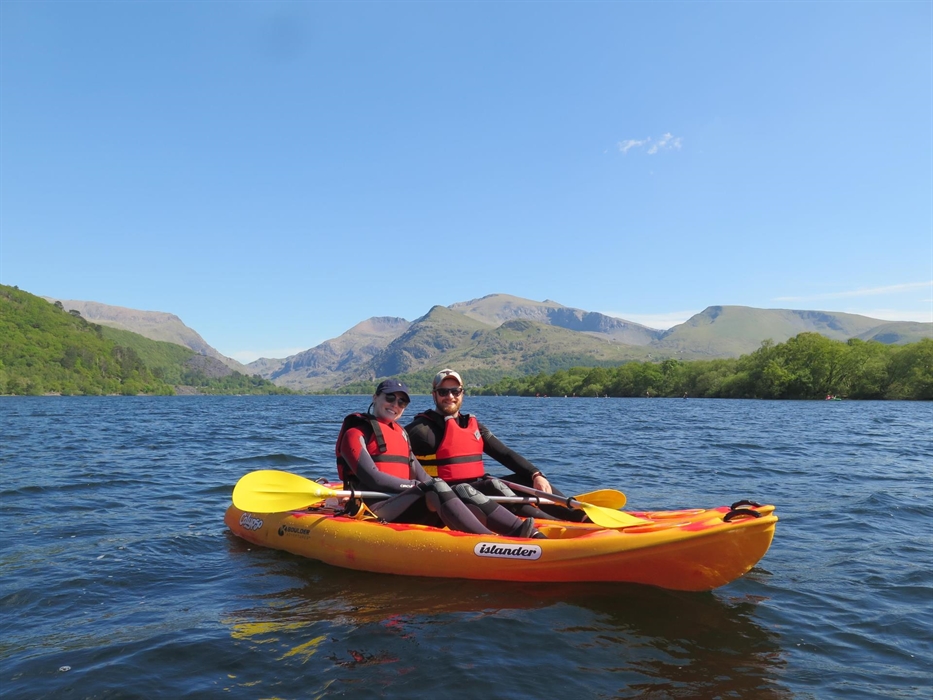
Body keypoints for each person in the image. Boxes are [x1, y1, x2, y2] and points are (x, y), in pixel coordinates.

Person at [336, 379, 544, 538]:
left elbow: (422, 476)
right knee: (434, 486)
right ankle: (489, 541)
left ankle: (522, 532)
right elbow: (373, 478)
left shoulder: (401, 434)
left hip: (406, 505)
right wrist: (417, 486)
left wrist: (447, 492)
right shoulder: (355, 433)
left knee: (460, 488)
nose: (395, 405)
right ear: (375, 397)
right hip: (376, 509)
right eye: (390, 398)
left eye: (402, 402)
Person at [405, 369, 585, 522]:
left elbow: (504, 454)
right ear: (434, 394)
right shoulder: (419, 430)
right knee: (494, 485)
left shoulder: (473, 427)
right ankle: (555, 525)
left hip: (479, 490)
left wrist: (536, 474)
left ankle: (580, 516)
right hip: (448, 497)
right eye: (443, 392)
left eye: (455, 391)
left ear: (462, 393)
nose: (450, 397)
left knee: (527, 480)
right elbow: (394, 455)